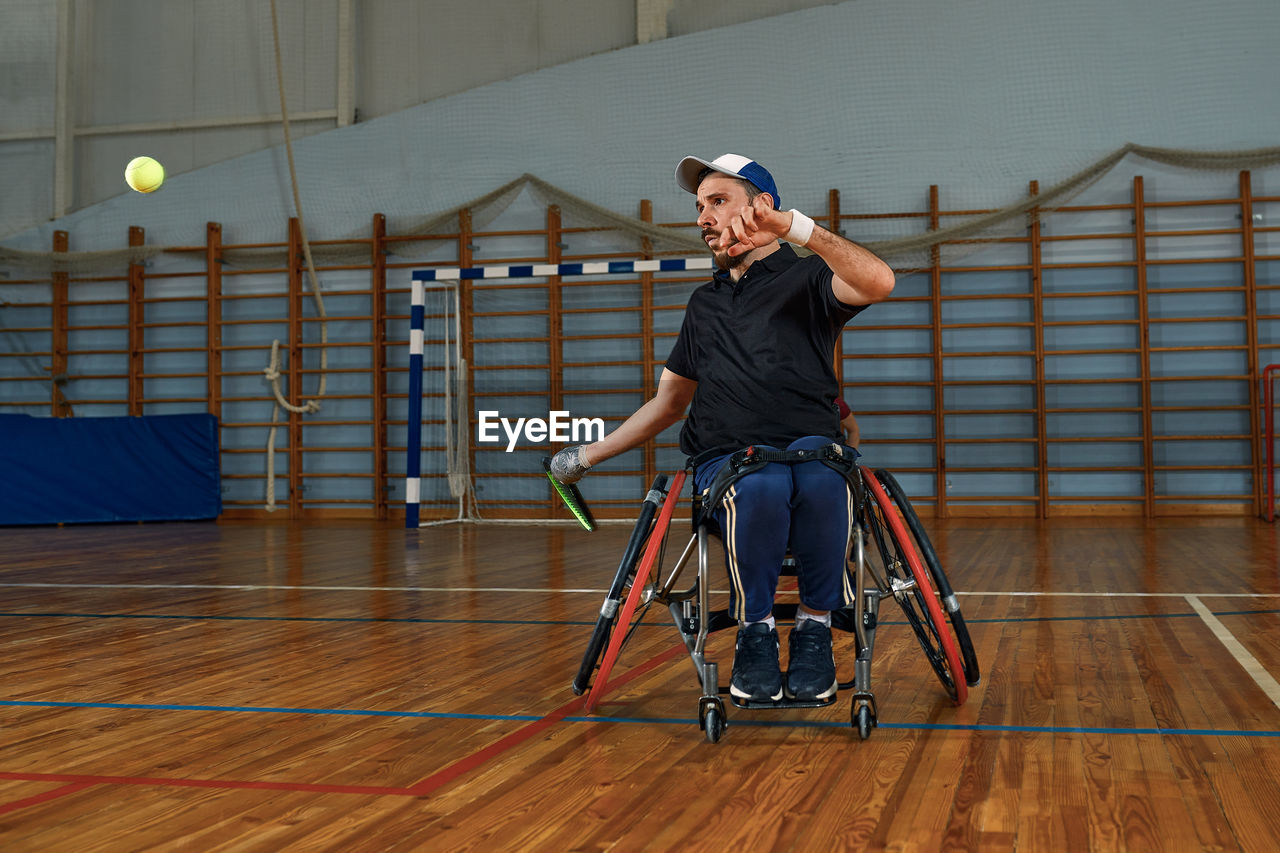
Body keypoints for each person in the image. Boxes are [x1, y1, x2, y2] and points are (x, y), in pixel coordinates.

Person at [551, 153, 895, 703]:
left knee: (824, 480)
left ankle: (814, 632)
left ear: (763, 206)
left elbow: (879, 282)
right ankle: (754, 634)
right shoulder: (704, 304)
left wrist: (796, 229)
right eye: (698, 207)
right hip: (732, 458)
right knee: (760, 483)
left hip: (812, 450)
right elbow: (667, 405)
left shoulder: (810, 279)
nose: (702, 218)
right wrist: (586, 456)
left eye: (717, 202)